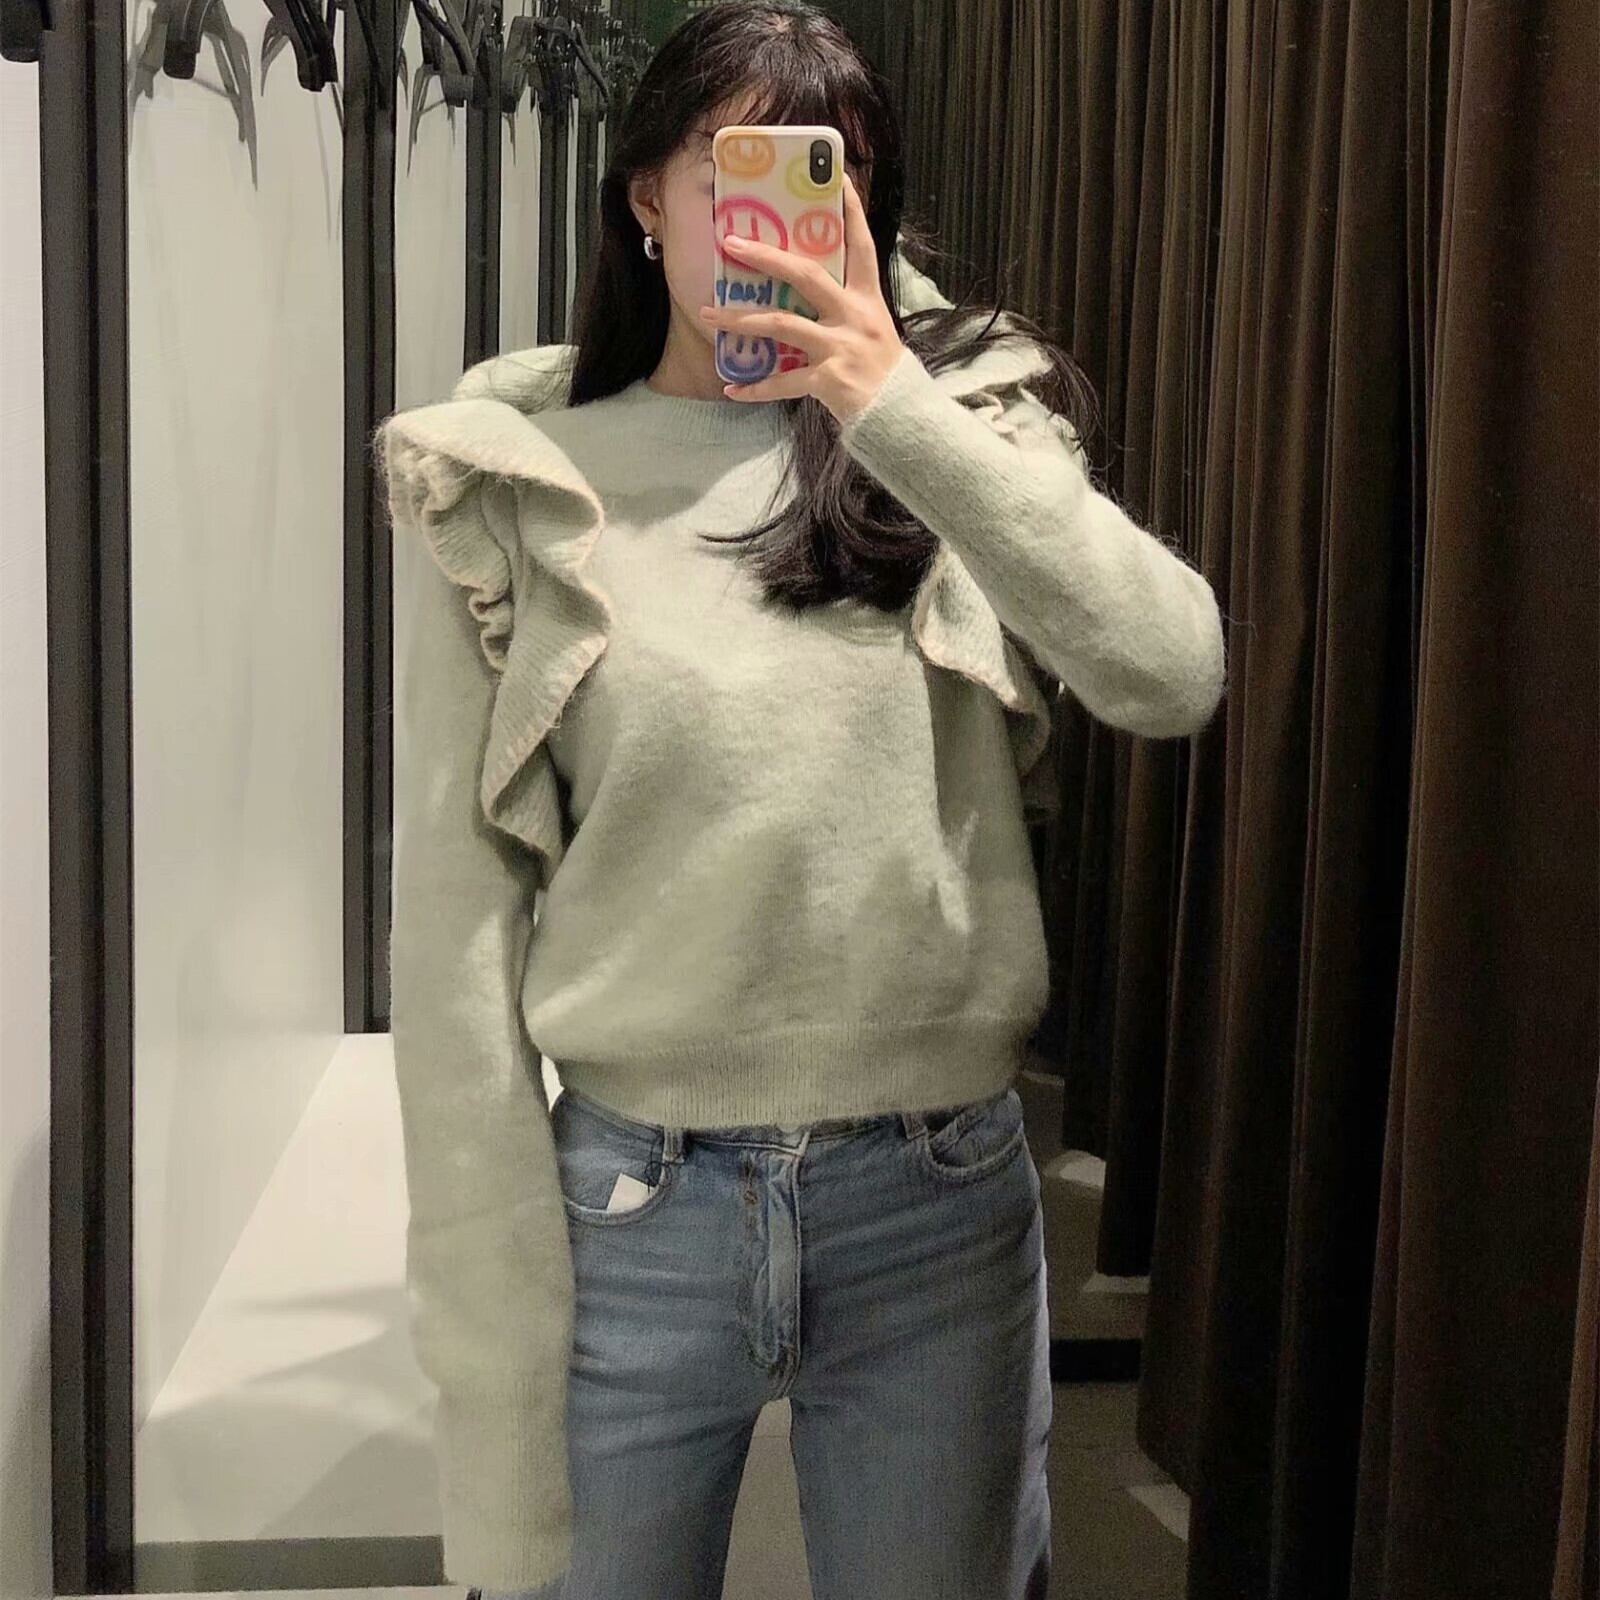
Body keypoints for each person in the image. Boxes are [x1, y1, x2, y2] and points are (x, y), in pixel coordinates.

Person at [374, 5, 1226, 1598]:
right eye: (731, 162)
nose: (771, 210)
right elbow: (454, 933)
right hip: (636, 1211)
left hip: (935, 1203)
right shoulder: (518, 484)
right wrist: (484, 1336)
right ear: (646, 193)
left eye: (824, 167)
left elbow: (1171, 671)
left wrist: (889, 404)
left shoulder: (965, 433)